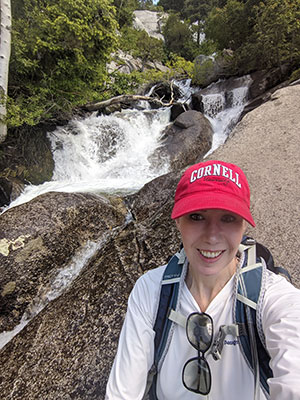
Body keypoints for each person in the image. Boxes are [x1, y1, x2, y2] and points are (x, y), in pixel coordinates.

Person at [105, 160, 300, 400]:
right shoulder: (150, 291)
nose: (212, 236)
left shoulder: (273, 298)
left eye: (228, 218)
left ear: (244, 226)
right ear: (178, 221)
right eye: (196, 216)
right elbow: (122, 393)